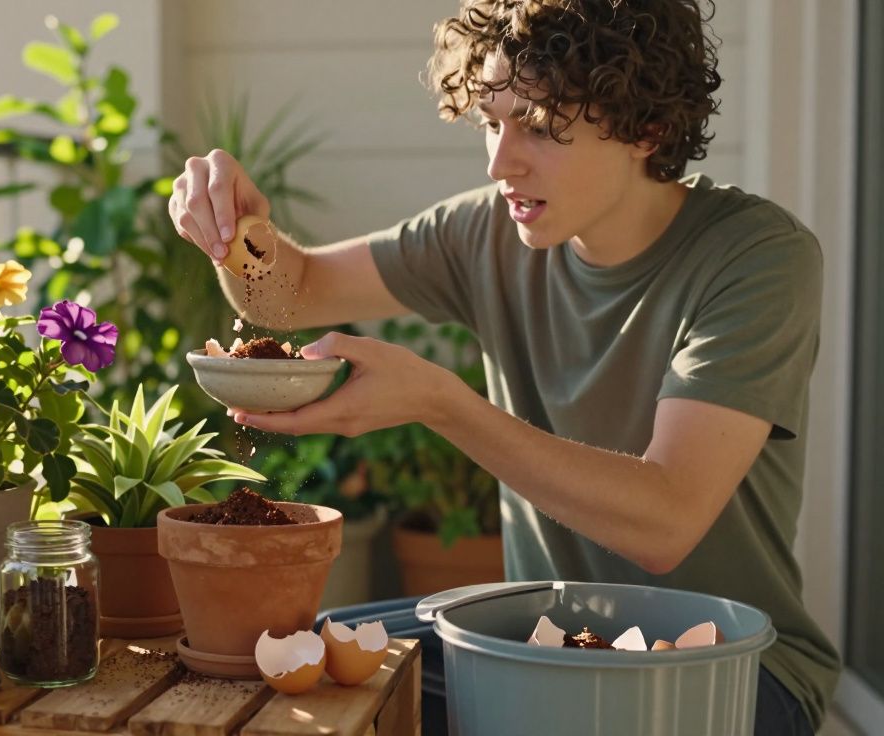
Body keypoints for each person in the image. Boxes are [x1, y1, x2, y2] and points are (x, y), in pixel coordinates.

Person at [167, 0, 840, 733]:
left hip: (732, 667)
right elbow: (292, 294)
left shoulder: (756, 257)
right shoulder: (486, 230)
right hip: (538, 642)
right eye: (492, 122)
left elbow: (665, 521)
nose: (498, 161)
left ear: (646, 129)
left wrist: (442, 403)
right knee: (290, 664)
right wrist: (237, 236)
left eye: (542, 128)